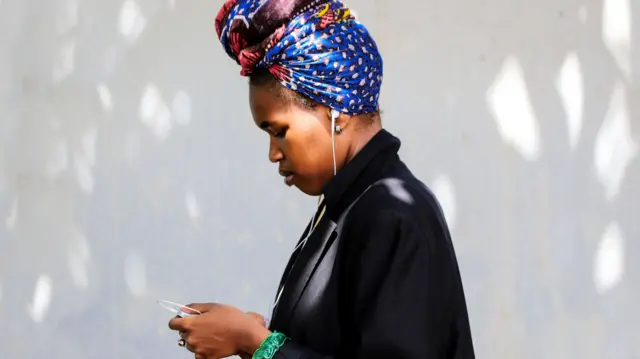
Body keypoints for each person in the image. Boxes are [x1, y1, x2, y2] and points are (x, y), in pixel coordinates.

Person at [168, 0, 475, 358]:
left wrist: (255, 343)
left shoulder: (392, 213)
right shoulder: (347, 204)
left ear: (336, 112)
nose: (273, 154)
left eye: (279, 131)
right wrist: (263, 335)